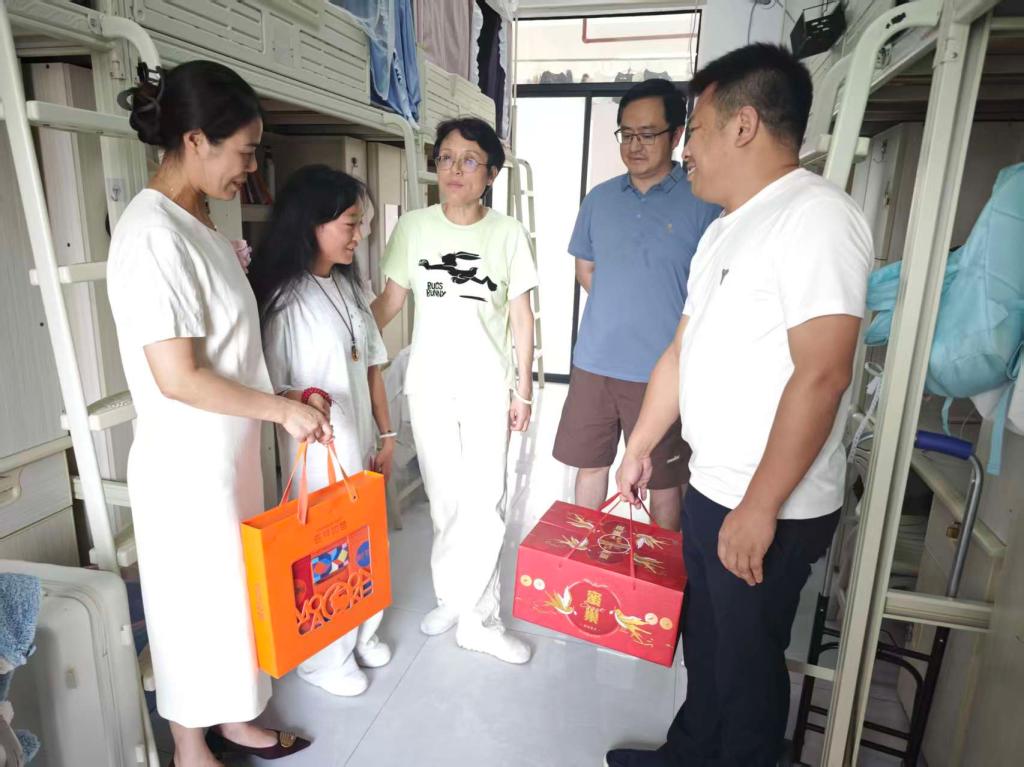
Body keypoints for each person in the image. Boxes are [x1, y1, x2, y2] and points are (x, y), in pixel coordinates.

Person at [606, 44, 873, 767]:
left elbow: (823, 374)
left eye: (694, 129)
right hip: (713, 484)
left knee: (749, 668)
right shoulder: (726, 227)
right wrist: (639, 448)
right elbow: (679, 352)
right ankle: (688, 752)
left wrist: (759, 506)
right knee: (707, 642)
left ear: (744, 125)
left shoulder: (816, 217)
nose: (685, 149)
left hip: (769, 504)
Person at [107, 61, 329, 767]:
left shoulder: (199, 219)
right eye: (245, 152)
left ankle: (235, 719)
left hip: (227, 455)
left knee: (235, 599)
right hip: (187, 465)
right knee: (193, 607)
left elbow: (228, 347)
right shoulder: (152, 234)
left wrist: (283, 399)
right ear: (196, 140)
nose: (252, 168)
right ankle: (188, 746)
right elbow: (177, 377)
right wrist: (277, 410)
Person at [372, 117, 537, 664]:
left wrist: (524, 390)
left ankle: (481, 620)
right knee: (443, 501)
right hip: (429, 386)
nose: (454, 169)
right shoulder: (414, 228)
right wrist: (347, 341)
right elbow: (391, 302)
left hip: (488, 386)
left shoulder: (507, 234)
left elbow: (521, 316)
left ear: (491, 173)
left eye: (469, 160)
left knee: (484, 503)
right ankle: (452, 597)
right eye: (445, 157)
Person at [250, 165, 394, 697]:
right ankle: (323, 657)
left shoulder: (350, 287)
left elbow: (372, 365)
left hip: (360, 441)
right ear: (312, 223)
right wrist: (303, 400)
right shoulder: (285, 300)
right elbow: (270, 388)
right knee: (325, 552)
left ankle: (362, 632)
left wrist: (387, 434)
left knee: (365, 541)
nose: (359, 236)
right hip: (316, 452)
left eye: (361, 224)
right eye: (350, 224)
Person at [553, 78, 720, 531]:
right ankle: (584, 554)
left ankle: (658, 571)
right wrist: (623, 306)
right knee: (590, 467)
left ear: (677, 134)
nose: (634, 145)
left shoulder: (703, 201)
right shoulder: (599, 199)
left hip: (662, 370)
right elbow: (586, 269)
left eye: (647, 134)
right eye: (626, 134)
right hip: (595, 362)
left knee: (664, 483)